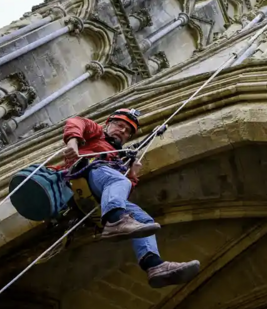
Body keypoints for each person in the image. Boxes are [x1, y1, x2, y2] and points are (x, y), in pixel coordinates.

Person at [54, 108, 201, 288]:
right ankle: (115, 221)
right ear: (108, 124)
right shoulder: (97, 134)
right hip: (81, 174)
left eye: (128, 132)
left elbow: (118, 192)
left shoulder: (119, 158)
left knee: (144, 220)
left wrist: (131, 175)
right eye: (120, 126)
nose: (123, 132)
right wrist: (72, 145)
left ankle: (154, 266)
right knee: (117, 181)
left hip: (99, 191)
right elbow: (76, 122)